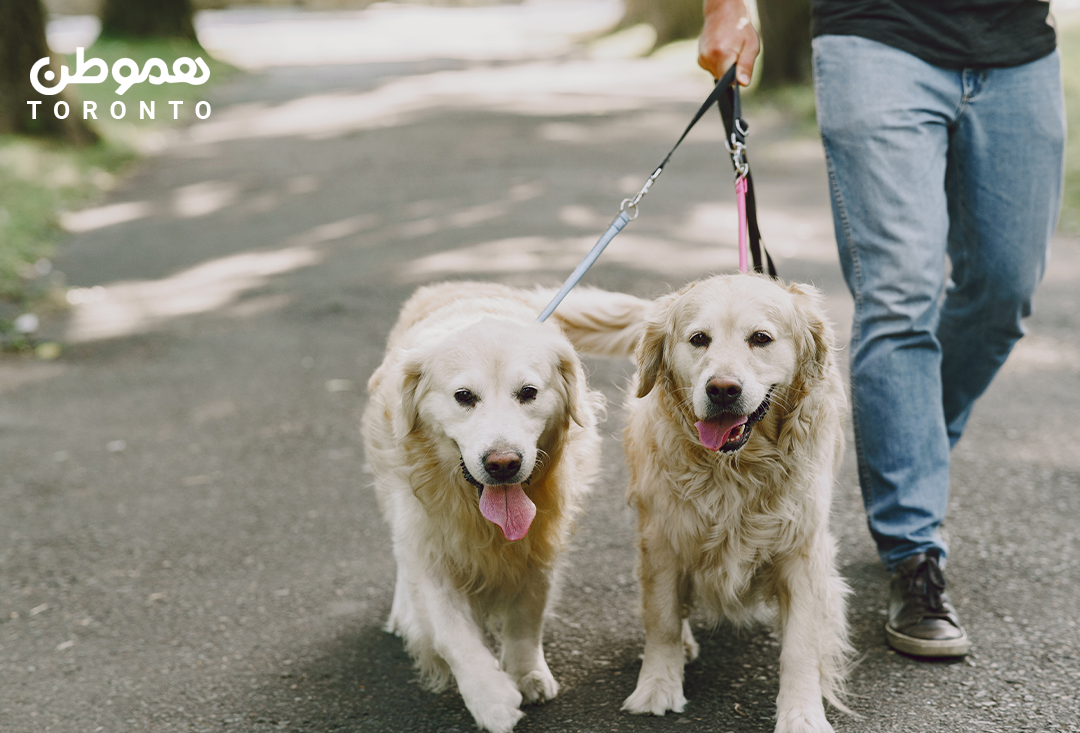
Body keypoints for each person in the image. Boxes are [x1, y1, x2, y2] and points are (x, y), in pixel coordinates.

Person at [698, 0, 1064, 658]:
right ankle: (913, 552)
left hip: (1017, 45)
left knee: (1004, 289)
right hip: (876, 34)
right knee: (899, 293)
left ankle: (909, 437)